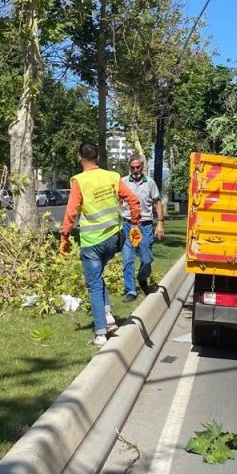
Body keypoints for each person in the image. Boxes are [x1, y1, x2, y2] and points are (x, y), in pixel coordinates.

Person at [60, 142, 142, 346]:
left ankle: (100, 334)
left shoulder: (79, 181)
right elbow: (133, 199)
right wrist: (135, 225)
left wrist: (64, 237)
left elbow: (71, 212)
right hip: (114, 240)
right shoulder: (113, 176)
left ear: (80, 157)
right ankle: (107, 316)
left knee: (94, 284)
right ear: (98, 158)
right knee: (98, 277)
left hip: (92, 244)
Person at [120, 154, 165, 301]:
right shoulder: (123, 182)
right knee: (128, 259)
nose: (135, 170)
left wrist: (160, 222)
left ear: (142, 166)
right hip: (128, 225)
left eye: (138, 167)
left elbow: (157, 202)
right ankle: (130, 291)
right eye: (132, 167)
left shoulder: (150, 183)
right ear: (129, 167)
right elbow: (118, 201)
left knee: (147, 260)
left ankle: (142, 278)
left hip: (144, 225)